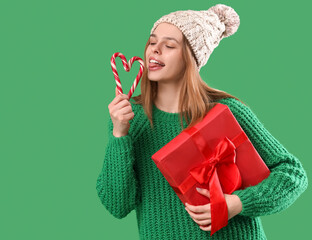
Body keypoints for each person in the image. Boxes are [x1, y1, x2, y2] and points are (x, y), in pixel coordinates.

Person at [96, 4, 308, 240]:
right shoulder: (131, 120)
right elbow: (117, 205)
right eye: (152, 42)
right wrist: (119, 134)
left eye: (168, 46)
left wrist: (236, 204)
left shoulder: (226, 111)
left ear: (191, 58)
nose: (155, 51)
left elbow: (292, 174)